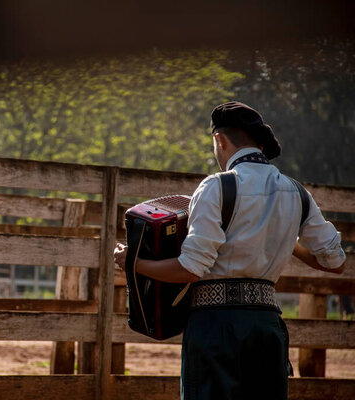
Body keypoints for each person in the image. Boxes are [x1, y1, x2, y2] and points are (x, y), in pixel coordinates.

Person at [114, 101, 346, 400]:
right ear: (259, 143)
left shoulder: (217, 186)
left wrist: (132, 262)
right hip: (267, 326)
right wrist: (289, 240)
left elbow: (190, 268)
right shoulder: (296, 192)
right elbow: (335, 261)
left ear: (219, 140)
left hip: (216, 327)